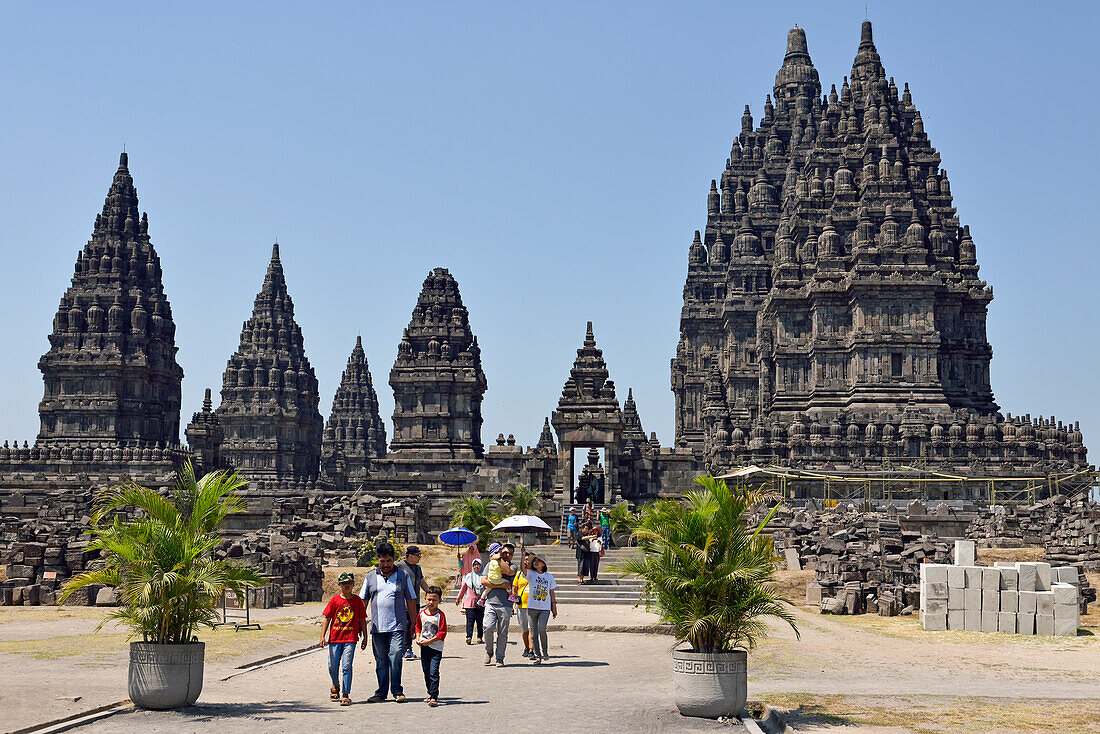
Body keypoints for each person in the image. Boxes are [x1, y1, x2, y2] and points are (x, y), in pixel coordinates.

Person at [359, 542, 418, 703]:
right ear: (377, 560)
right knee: (381, 660)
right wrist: (358, 622)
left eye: (389, 561)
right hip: (377, 627)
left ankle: (397, 690)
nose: (386, 565)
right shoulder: (370, 577)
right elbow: (362, 601)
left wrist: (414, 623)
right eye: (382, 561)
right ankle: (381, 692)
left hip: (398, 625)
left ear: (394, 560)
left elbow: (411, 600)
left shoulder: (403, 576)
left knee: (396, 655)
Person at [320, 571, 369, 706]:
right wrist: (322, 636)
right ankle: (335, 685)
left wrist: (365, 636)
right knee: (332, 666)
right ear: (339, 585)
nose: (347, 586)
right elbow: (327, 618)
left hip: (350, 638)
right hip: (335, 638)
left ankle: (346, 694)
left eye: (349, 584)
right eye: (344, 584)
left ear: (353, 584)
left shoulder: (357, 601)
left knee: (347, 666)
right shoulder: (334, 600)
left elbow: (362, 620)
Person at [480, 542, 516, 666]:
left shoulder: (513, 566)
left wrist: (500, 559)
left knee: (503, 633)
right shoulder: (490, 564)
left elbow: (509, 572)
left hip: (505, 604)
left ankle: (500, 657)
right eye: (504, 552)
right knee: (488, 627)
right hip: (490, 602)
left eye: (509, 554)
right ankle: (489, 651)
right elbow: (484, 581)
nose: (506, 555)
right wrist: (502, 585)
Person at [414, 586, 447, 707]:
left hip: (436, 648)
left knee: (433, 672)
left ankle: (434, 696)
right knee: (426, 671)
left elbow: (442, 633)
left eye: (434, 600)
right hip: (424, 648)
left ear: (440, 600)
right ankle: (429, 691)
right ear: (425, 599)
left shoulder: (440, 615)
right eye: (428, 599)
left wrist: (430, 641)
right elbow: (418, 626)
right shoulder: (422, 614)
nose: (431, 602)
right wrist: (418, 638)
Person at [397, 546, 429, 660]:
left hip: (414, 601)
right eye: (418, 555)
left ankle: (407, 648)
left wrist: (430, 592)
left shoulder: (417, 568)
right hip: (402, 602)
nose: (419, 557)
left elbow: (421, 582)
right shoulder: (399, 566)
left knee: (412, 625)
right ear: (410, 556)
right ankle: (406, 648)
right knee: (405, 624)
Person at [524, 554, 557, 664]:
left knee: (541, 629)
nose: (536, 562)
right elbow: (522, 569)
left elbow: (552, 593)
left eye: (539, 560)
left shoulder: (549, 577)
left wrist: (554, 607)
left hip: (544, 608)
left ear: (544, 564)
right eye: (535, 560)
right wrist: (523, 555)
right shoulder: (531, 574)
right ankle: (538, 656)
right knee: (533, 634)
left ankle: (545, 651)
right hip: (532, 607)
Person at [455, 557, 485, 644]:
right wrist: (458, 598)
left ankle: (480, 637)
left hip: (480, 602)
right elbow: (463, 589)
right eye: (475, 565)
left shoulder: (484, 577)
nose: (476, 567)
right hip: (469, 603)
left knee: (480, 621)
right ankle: (469, 637)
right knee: (470, 621)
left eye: (478, 565)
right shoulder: (468, 577)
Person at [513, 552, 534, 658]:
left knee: (532, 629)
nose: (526, 562)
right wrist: (513, 603)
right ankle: (526, 647)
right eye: (524, 560)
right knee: (524, 629)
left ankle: (531, 649)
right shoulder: (519, 574)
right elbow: (514, 589)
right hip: (521, 606)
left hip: (533, 606)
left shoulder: (536, 574)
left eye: (528, 560)